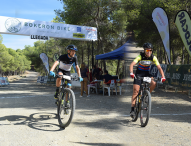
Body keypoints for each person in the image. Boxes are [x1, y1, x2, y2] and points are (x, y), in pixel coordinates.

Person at [129, 42, 166, 118]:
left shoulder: (153, 57)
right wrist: (131, 73)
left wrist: (163, 76)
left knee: (154, 83)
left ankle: (146, 95)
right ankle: (132, 110)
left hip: (147, 73)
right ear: (144, 50)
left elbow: (159, 67)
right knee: (135, 91)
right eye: (147, 50)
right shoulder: (140, 56)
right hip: (139, 74)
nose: (149, 52)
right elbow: (132, 64)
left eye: (150, 50)